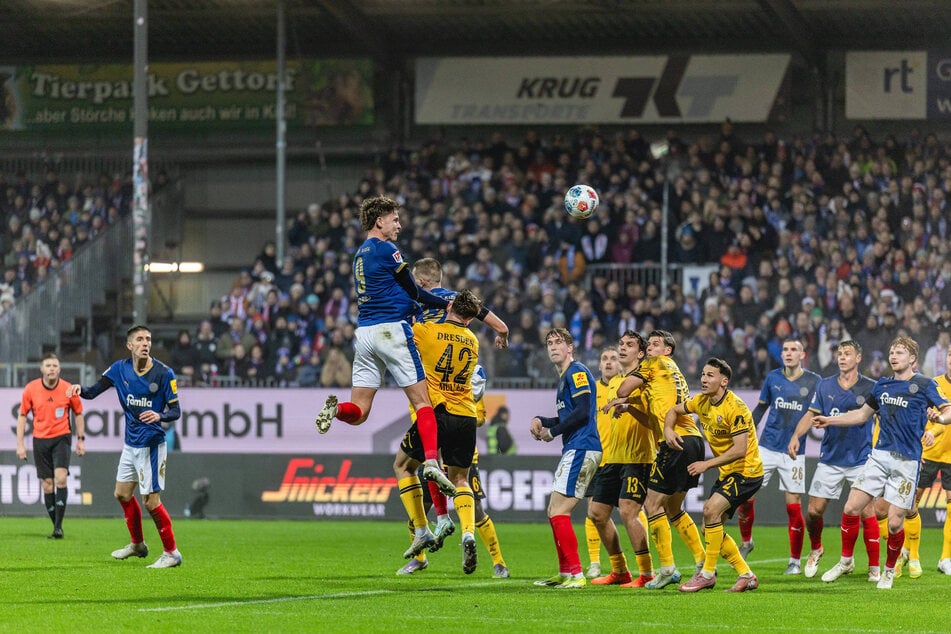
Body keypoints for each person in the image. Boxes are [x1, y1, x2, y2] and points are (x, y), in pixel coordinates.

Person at [313, 196, 454, 496]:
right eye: (395, 219)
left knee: (360, 412)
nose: (399, 225)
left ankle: (337, 409)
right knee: (423, 403)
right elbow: (414, 290)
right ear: (380, 221)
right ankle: (431, 461)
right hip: (391, 330)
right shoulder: (386, 249)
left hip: (364, 333)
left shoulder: (359, 255)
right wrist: (445, 303)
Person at [815, 336, 951, 589]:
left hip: (907, 461)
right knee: (851, 508)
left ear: (912, 358)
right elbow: (861, 415)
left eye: (899, 351)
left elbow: (948, 409)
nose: (893, 355)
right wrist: (829, 420)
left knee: (895, 521)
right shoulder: (882, 386)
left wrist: (940, 419)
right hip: (879, 456)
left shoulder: (924, 384)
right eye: (891, 351)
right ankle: (845, 561)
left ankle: (889, 570)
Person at [66, 325, 183, 568]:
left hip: (151, 444)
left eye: (148, 339)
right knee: (122, 493)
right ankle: (138, 545)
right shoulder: (120, 369)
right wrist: (79, 390)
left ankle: (171, 552)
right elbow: (93, 391)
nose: (145, 343)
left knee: (151, 501)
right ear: (130, 345)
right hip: (131, 444)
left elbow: (175, 411)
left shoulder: (164, 373)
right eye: (140, 339)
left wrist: (160, 415)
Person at [392, 289, 484, 572]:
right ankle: (468, 532)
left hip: (437, 413)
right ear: (470, 319)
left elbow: (402, 332)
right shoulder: (473, 340)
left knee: (403, 466)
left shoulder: (429, 332)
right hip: (466, 415)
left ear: (451, 306)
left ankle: (422, 529)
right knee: (461, 479)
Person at [398, 364, 511, 579]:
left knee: (477, 511)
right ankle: (420, 558)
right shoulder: (423, 381)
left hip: (460, 455)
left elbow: (478, 418)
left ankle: (499, 562)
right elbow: (419, 420)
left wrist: (453, 409)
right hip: (433, 455)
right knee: (418, 508)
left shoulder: (465, 376)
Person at [615, 329, 706, 589]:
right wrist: (632, 405)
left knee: (652, 505)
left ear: (667, 350)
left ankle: (667, 568)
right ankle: (702, 563)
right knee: (674, 508)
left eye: (656, 344)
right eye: (650, 344)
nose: (651, 348)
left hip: (674, 441)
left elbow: (622, 388)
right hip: (692, 440)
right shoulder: (670, 371)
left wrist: (626, 394)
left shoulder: (653, 365)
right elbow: (650, 419)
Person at [785, 340, 880, 580]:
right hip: (830, 459)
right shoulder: (825, 385)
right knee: (814, 512)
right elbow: (811, 414)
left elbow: (883, 419)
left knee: (866, 511)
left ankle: (874, 568)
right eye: (840, 354)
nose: (842, 357)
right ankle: (816, 548)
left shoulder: (871, 387)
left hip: (860, 459)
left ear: (858, 358)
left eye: (848, 354)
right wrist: (797, 435)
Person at [671, 358, 762, 592]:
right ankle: (746, 575)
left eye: (710, 375)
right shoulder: (701, 402)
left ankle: (707, 574)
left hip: (747, 471)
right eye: (703, 374)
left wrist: (706, 464)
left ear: (724, 381)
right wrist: (667, 430)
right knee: (710, 528)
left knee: (710, 510)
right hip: (729, 472)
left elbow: (740, 449)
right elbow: (674, 410)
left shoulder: (736, 407)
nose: (703, 378)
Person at [737, 337, 820, 574]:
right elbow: (762, 408)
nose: (788, 353)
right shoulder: (773, 378)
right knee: (746, 498)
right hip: (767, 448)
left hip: (795, 452)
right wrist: (747, 430)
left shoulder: (814, 381)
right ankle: (746, 542)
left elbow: (818, 410)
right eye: (785, 349)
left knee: (793, 506)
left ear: (802, 355)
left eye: (794, 349)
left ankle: (794, 561)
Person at [532, 328, 602, 589]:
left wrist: (553, 431)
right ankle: (565, 572)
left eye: (559, 342)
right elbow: (567, 416)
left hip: (583, 446)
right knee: (554, 510)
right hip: (576, 445)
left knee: (560, 510)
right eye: (549, 342)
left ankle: (576, 574)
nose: (553, 346)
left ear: (570, 347)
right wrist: (543, 420)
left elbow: (583, 412)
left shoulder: (578, 372)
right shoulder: (564, 378)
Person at [588, 332, 658, 588]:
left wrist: (631, 407)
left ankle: (647, 573)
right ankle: (619, 571)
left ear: (641, 353)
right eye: (621, 344)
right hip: (612, 458)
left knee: (629, 511)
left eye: (630, 345)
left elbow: (654, 422)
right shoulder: (615, 382)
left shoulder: (647, 381)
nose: (623, 348)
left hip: (637, 457)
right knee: (597, 513)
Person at [895, 340, 951, 578]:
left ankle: (946, 557)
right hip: (926, 454)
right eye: (950, 355)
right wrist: (929, 430)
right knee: (910, 504)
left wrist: (936, 423)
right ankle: (908, 549)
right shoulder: (932, 384)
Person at [16, 352, 85, 538]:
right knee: (47, 485)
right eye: (48, 365)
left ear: (59, 369)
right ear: (42, 369)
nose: (52, 369)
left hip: (62, 437)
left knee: (60, 478)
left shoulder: (68, 388)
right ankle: (56, 524)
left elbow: (78, 413)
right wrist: (20, 444)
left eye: (54, 365)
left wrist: (80, 439)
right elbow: (22, 416)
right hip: (40, 440)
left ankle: (58, 527)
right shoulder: (31, 389)